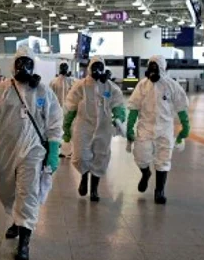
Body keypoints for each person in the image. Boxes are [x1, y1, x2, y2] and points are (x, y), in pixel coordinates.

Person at [0, 46, 63, 260]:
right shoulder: (2, 90)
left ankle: (24, 240)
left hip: (33, 150)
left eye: (27, 63)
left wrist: (53, 151)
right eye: (19, 63)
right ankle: (16, 220)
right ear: (13, 66)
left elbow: (54, 122)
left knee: (28, 192)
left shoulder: (43, 91)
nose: (23, 67)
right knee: (6, 189)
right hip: (6, 149)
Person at [127, 55, 190, 205]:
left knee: (163, 159)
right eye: (151, 67)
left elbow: (181, 106)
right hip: (145, 127)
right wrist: (130, 126)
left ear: (162, 68)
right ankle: (145, 173)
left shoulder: (172, 86)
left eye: (156, 67)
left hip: (165, 128)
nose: (153, 71)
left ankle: (159, 190)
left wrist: (185, 126)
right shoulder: (142, 86)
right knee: (141, 156)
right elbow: (134, 106)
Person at [63, 56, 126, 202]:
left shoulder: (109, 86)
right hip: (83, 125)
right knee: (80, 155)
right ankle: (84, 177)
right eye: (94, 66)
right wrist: (66, 127)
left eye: (100, 66)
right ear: (90, 68)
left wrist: (118, 118)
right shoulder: (81, 85)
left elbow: (118, 104)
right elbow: (71, 105)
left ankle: (94, 189)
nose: (97, 69)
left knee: (101, 156)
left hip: (103, 127)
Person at [50, 63, 77, 158]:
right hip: (66, 110)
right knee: (65, 130)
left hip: (60, 110)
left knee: (62, 131)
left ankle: (64, 150)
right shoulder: (72, 81)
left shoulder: (54, 82)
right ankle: (66, 151)